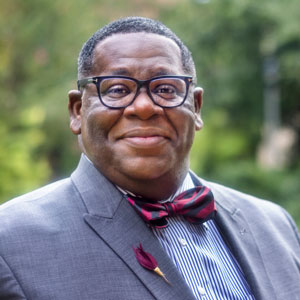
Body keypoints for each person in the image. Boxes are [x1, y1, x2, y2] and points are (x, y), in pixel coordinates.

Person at [0, 17, 299, 300]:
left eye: (165, 89)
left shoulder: (275, 226)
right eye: (117, 89)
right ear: (78, 111)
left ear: (195, 107)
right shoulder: (11, 243)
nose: (143, 107)